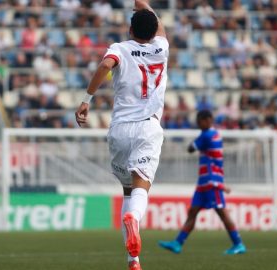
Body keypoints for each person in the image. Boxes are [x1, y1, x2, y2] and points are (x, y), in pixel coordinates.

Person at [75, 1, 168, 269]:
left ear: (129, 29)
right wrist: (147, 6)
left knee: (128, 191)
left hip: (120, 129)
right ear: (153, 31)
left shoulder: (120, 49)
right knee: (141, 190)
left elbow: (105, 66)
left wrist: (86, 100)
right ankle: (134, 221)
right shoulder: (162, 48)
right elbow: (158, 27)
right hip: (147, 128)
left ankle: (133, 260)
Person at [158, 110, 246, 255]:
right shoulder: (211, 134)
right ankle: (177, 243)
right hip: (204, 182)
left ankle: (238, 244)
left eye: (199, 122)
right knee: (193, 211)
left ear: (206, 120)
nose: (198, 125)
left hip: (212, 181)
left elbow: (191, 148)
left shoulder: (208, 135)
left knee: (222, 213)